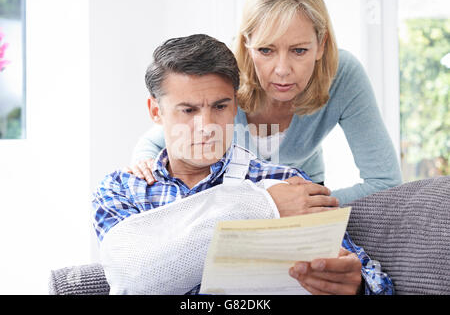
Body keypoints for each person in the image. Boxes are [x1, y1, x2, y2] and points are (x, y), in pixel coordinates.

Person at [92, 34, 393, 295]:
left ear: (235, 105)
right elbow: (132, 279)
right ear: (155, 111)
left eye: (220, 107)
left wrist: (356, 286)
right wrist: (263, 206)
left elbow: (372, 277)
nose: (207, 125)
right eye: (188, 110)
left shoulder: (288, 183)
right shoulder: (122, 190)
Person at [128, 0, 402, 206]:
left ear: (321, 44)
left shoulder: (343, 74)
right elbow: (154, 142)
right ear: (246, 43)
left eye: (299, 50)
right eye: (266, 50)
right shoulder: (224, 75)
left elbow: (386, 182)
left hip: (303, 190)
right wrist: (146, 171)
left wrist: (311, 204)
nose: (282, 69)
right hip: (234, 203)